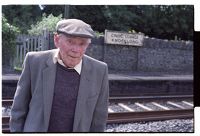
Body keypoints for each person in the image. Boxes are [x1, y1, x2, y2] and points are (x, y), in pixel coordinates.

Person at [10, 19, 109, 132]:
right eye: (70, 42)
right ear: (57, 40)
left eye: (82, 43)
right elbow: (18, 110)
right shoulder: (34, 62)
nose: (75, 50)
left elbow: (99, 120)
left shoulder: (99, 71)